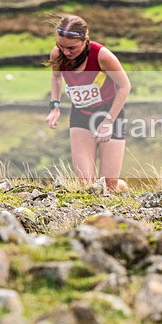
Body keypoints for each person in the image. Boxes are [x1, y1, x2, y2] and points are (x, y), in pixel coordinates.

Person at [44, 15, 131, 192]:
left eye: (72, 48)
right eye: (61, 46)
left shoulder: (103, 56)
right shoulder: (57, 54)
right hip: (81, 115)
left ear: (85, 40)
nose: (66, 52)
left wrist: (108, 121)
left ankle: (123, 188)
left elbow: (125, 86)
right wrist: (55, 107)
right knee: (86, 185)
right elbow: (56, 77)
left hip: (110, 113)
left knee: (109, 187)